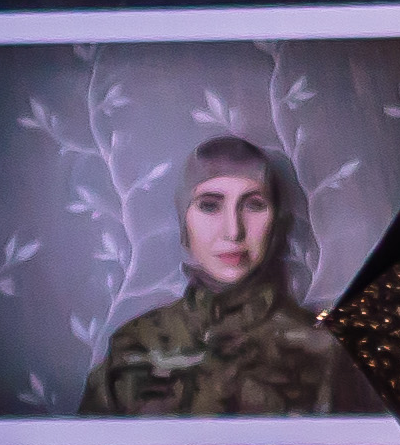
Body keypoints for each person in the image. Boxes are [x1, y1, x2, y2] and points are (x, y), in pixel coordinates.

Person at [79, 133, 365, 417]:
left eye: (254, 204)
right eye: (210, 205)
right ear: (184, 222)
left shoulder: (320, 350)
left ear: (276, 220)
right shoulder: (134, 345)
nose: (233, 231)